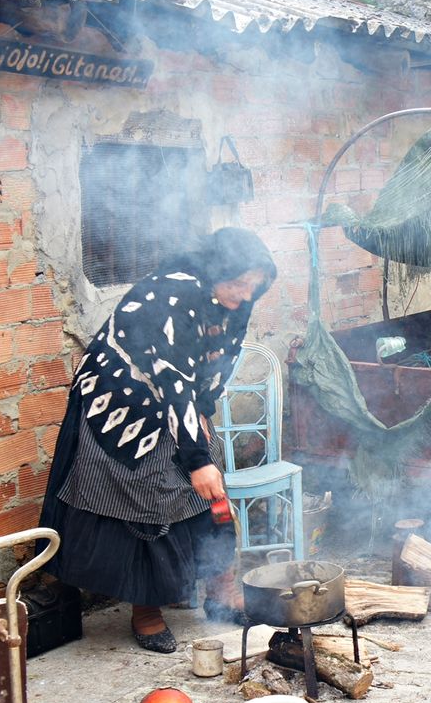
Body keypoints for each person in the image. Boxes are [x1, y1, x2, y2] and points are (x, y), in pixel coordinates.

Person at [39, 228, 277, 652]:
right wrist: (196, 458)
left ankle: (220, 591)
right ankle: (146, 610)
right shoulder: (170, 295)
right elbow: (173, 380)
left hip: (180, 403)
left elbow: (220, 361)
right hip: (119, 404)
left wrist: (204, 411)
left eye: (252, 288)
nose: (242, 296)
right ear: (216, 269)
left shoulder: (234, 302)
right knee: (147, 496)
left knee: (208, 491)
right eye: (237, 283)